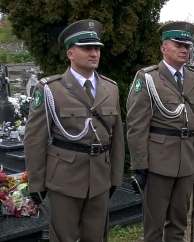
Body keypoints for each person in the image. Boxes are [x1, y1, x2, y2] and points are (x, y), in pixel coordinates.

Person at [24, 19, 125, 242]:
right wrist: (36, 183)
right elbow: (35, 139)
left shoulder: (111, 88)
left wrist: (116, 176)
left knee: (96, 237)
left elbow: (117, 137)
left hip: (100, 178)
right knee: (63, 238)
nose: (94, 53)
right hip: (64, 180)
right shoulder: (51, 89)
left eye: (97, 48)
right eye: (87, 48)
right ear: (70, 53)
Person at [127, 22, 194, 242]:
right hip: (158, 162)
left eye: (187, 46)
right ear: (163, 48)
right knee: (154, 225)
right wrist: (140, 165)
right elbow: (137, 125)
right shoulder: (148, 78)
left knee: (179, 221)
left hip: (186, 161)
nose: (184, 50)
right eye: (178, 44)